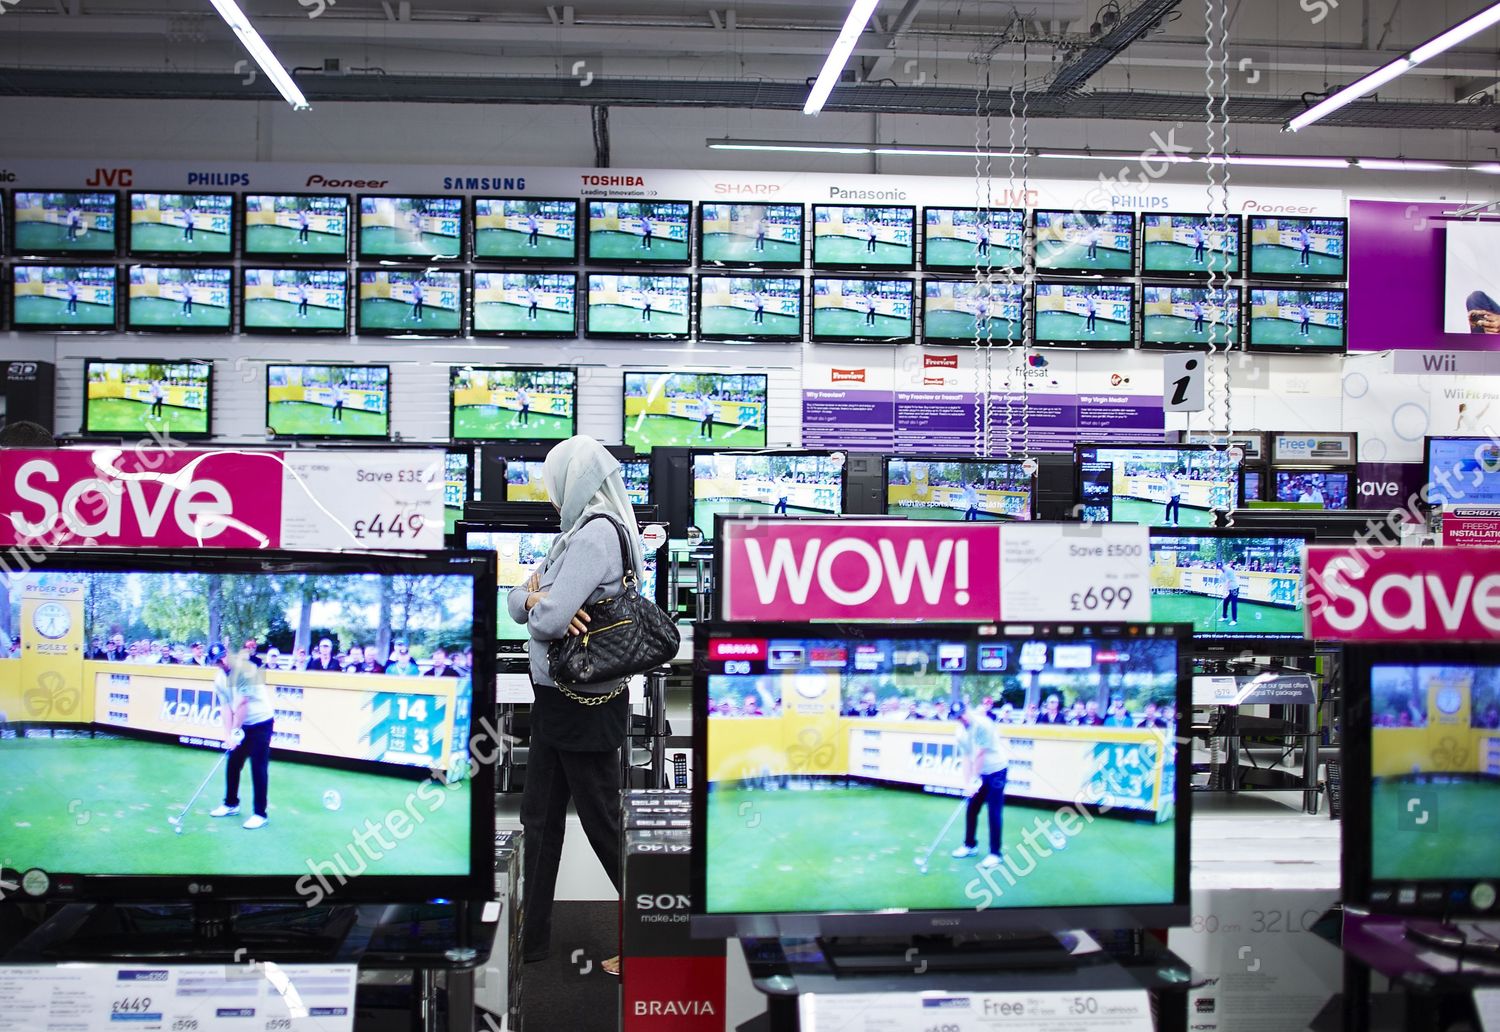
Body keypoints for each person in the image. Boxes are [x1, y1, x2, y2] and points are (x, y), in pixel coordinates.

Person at [508, 435, 644, 977]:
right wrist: (538, 600)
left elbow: (540, 618)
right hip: (560, 699)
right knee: (539, 822)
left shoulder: (592, 538)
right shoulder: (574, 536)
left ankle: (659, 932)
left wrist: (543, 603)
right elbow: (518, 601)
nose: (549, 492)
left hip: (582, 701)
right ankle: (530, 937)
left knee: (602, 822)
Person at [208, 644, 275, 830]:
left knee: (258, 767)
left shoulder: (247, 669)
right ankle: (231, 804)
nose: (221, 662)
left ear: (227, 654)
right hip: (242, 723)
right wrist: (228, 735)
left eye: (222, 657)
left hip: (261, 722)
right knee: (233, 763)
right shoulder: (219, 678)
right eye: (217, 661)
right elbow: (225, 707)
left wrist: (235, 732)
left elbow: (242, 703)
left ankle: (260, 814)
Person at [950, 701, 1009, 871]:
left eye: (962, 714)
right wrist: (968, 784)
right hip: (980, 772)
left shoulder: (983, 724)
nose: (961, 719)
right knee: (972, 808)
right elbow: (967, 758)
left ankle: (995, 854)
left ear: (967, 710)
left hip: (997, 770)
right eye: (957, 717)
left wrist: (976, 779)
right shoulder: (960, 732)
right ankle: (970, 845)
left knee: (994, 811)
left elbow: (980, 754)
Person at [1221, 560, 1241, 626]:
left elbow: (1228, 581)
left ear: (1223, 565)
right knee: (1225, 602)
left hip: (1234, 588)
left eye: (1221, 567)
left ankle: (1234, 620)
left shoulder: (1229, 570)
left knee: (1233, 604)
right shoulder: (1221, 574)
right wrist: (1224, 593)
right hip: (1228, 589)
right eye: (1219, 568)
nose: (1221, 568)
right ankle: (1224, 616)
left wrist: (1226, 592)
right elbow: (1224, 583)